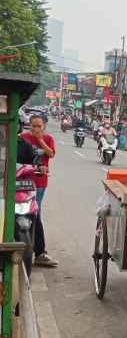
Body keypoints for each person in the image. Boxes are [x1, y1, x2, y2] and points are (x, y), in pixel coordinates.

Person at [20, 114, 58, 267]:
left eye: (39, 126)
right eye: (33, 125)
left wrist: (40, 139)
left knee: (36, 213)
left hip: (40, 183)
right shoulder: (22, 137)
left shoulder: (48, 139)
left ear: (44, 127)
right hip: (23, 182)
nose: (35, 129)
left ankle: (40, 252)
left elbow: (51, 154)